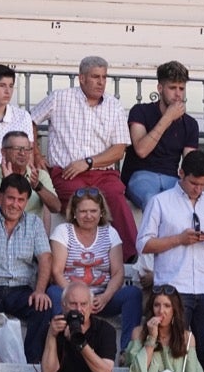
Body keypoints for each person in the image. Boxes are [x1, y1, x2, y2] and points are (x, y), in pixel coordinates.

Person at [136, 150, 204, 372]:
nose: (198, 188)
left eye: (203, 183)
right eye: (193, 183)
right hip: (173, 287)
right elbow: (143, 244)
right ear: (180, 173)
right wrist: (179, 239)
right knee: (170, 349)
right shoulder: (159, 202)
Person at [30, 57, 136, 256]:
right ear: (81, 78)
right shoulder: (60, 98)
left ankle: (130, 255)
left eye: (104, 77)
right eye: (95, 77)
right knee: (79, 201)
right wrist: (36, 154)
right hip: (67, 173)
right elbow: (29, 121)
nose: (101, 82)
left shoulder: (114, 106)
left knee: (116, 199)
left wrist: (88, 163)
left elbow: (119, 149)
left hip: (103, 173)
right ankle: (79, 254)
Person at [0, 173, 54, 363]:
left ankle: (33, 362)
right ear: (0, 197)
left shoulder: (35, 223)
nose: (15, 204)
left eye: (21, 200)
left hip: (21, 290)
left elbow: (45, 258)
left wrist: (39, 291)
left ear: (26, 201)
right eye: (11, 198)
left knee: (43, 307)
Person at [48, 186, 143, 353]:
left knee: (133, 294)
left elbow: (118, 273)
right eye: (83, 211)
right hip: (72, 297)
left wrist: (105, 297)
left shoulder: (110, 233)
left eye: (93, 211)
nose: (88, 216)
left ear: (101, 212)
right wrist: (80, 299)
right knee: (54, 293)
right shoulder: (63, 231)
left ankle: (127, 351)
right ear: (74, 213)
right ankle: (63, 345)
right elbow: (56, 271)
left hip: (101, 299)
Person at [121, 60, 199, 209]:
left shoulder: (190, 124)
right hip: (140, 175)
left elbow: (191, 163)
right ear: (160, 88)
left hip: (172, 179)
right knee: (153, 200)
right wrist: (168, 118)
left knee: (186, 205)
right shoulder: (140, 111)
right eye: (172, 88)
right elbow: (142, 150)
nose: (178, 94)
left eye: (181, 88)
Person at [0, 130, 61, 220]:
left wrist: (38, 186)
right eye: (17, 148)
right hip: (0, 230)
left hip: (32, 230)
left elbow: (56, 208)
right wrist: (7, 183)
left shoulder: (40, 175)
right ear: (3, 152)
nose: (22, 153)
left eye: (27, 149)